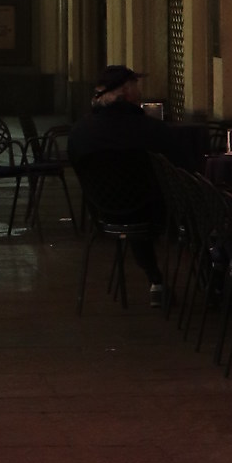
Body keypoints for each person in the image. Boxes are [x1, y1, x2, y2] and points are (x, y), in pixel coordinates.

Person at [66, 65, 175, 302]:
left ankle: (155, 279)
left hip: (104, 212)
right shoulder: (151, 130)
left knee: (133, 204)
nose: (140, 92)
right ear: (127, 92)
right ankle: (217, 279)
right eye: (137, 86)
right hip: (154, 213)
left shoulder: (80, 132)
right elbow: (181, 166)